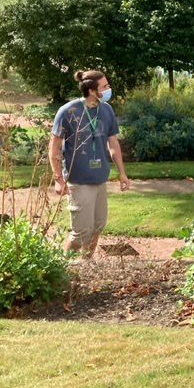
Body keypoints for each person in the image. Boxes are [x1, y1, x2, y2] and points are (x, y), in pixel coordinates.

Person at [49, 70, 130, 257]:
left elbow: (113, 143)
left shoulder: (107, 110)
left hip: (100, 178)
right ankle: (64, 269)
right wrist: (58, 179)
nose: (109, 89)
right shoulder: (68, 112)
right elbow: (54, 148)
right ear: (93, 91)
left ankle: (86, 264)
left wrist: (122, 173)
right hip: (79, 180)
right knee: (80, 233)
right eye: (105, 86)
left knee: (97, 226)